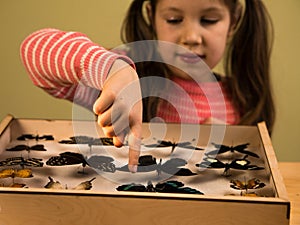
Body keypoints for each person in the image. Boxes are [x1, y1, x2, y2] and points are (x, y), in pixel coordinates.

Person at [20, 0, 275, 172]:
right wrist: (111, 69)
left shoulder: (242, 98)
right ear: (151, 14)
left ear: (234, 21)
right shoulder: (127, 82)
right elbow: (33, 50)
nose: (191, 37)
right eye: (174, 19)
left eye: (209, 20)